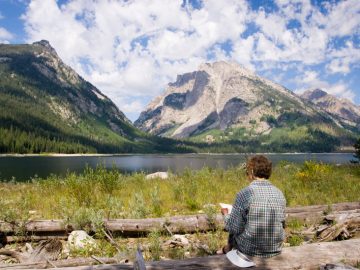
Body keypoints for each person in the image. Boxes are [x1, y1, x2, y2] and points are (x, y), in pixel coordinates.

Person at [220, 155, 286, 258]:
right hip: (275, 249)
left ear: (251, 172)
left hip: (250, 250)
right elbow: (282, 224)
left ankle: (227, 249)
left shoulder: (244, 194)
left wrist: (225, 214)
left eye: (247, 172)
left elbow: (233, 228)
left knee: (236, 223)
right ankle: (226, 249)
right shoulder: (279, 194)